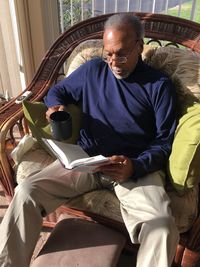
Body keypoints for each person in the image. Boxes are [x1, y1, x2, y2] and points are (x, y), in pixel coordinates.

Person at [0, 13, 179, 267]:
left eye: (122, 53)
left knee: (161, 226)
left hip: (134, 169)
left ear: (140, 45)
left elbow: (164, 141)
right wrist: (55, 106)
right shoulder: (93, 70)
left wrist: (135, 166)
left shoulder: (159, 85)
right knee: (26, 192)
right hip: (87, 159)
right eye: (108, 54)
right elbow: (57, 91)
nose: (114, 62)